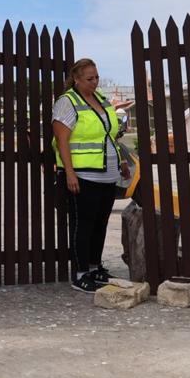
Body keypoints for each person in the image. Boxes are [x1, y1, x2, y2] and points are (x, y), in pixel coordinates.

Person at [51, 58, 130, 293]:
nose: (95, 82)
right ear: (76, 79)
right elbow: (62, 140)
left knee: (100, 224)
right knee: (82, 225)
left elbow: (109, 136)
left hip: (106, 174)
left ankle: (95, 267)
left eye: (96, 77)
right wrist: (70, 173)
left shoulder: (101, 100)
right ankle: (80, 272)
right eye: (89, 78)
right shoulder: (67, 103)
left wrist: (122, 161)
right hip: (83, 175)